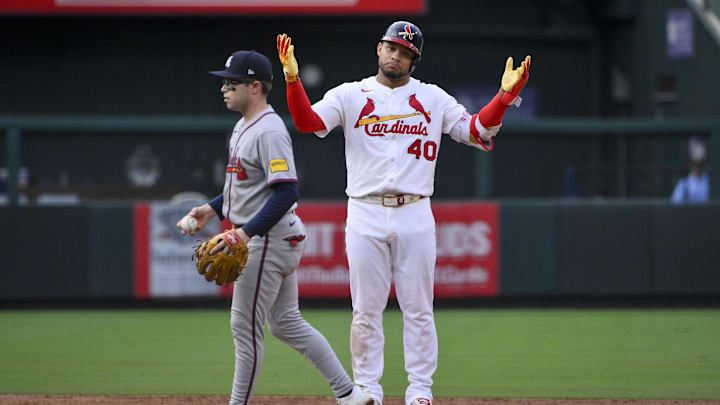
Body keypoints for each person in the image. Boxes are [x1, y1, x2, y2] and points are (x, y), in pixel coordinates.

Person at [276, 21, 531, 405]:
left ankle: (420, 391)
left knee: (418, 308)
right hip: (364, 210)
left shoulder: (432, 98)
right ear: (379, 49)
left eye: (406, 51)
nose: (397, 55)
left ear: (415, 59)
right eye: (392, 47)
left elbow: (478, 131)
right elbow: (307, 122)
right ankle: (367, 389)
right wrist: (293, 80)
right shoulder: (350, 94)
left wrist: (504, 97)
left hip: (414, 210)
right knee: (365, 310)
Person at [177, 50, 375, 405]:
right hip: (273, 236)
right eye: (224, 81)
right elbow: (244, 186)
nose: (224, 88)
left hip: (268, 239)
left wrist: (240, 233)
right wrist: (211, 208)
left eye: (232, 82)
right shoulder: (243, 126)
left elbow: (286, 191)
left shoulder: (269, 130)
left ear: (255, 87)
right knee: (285, 322)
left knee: (244, 327)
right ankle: (349, 395)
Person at [671, 137, 710, 203]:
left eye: (700, 164)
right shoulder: (683, 184)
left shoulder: (710, 182)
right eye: (695, 164)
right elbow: (674, 205)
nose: (697, 167)